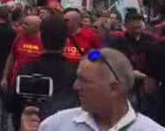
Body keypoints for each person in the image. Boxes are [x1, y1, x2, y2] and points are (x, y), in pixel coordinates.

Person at [20, 48, 164, 131]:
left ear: (114, 88)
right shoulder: (56, 125)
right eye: (77, 78)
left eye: (84, 81)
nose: (75, 86)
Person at [18, 16, 78, 119]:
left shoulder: (27, 68)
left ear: (40, 37)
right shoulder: (75, 72)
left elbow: (12, 102)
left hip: (34, 122)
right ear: (67, 41)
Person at [110, 13, 162, 120]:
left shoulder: (151, 40)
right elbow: (110, 59)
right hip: (126, 82)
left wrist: (151, 77)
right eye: (133, 28)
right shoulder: (118, 41)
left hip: (147, 82)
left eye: (139, 27)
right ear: (126, 26)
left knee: (148, 111)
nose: (137, 31)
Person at [1, 15, 43, 130]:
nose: (22, 26)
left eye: (26, 24)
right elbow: (11, 57)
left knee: (32, 116)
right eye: (22, 23)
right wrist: (5, 77)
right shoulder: (19, 37)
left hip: (34, 87)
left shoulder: (43, 41)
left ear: (36, 27)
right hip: (17, 83)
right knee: (16, 115)